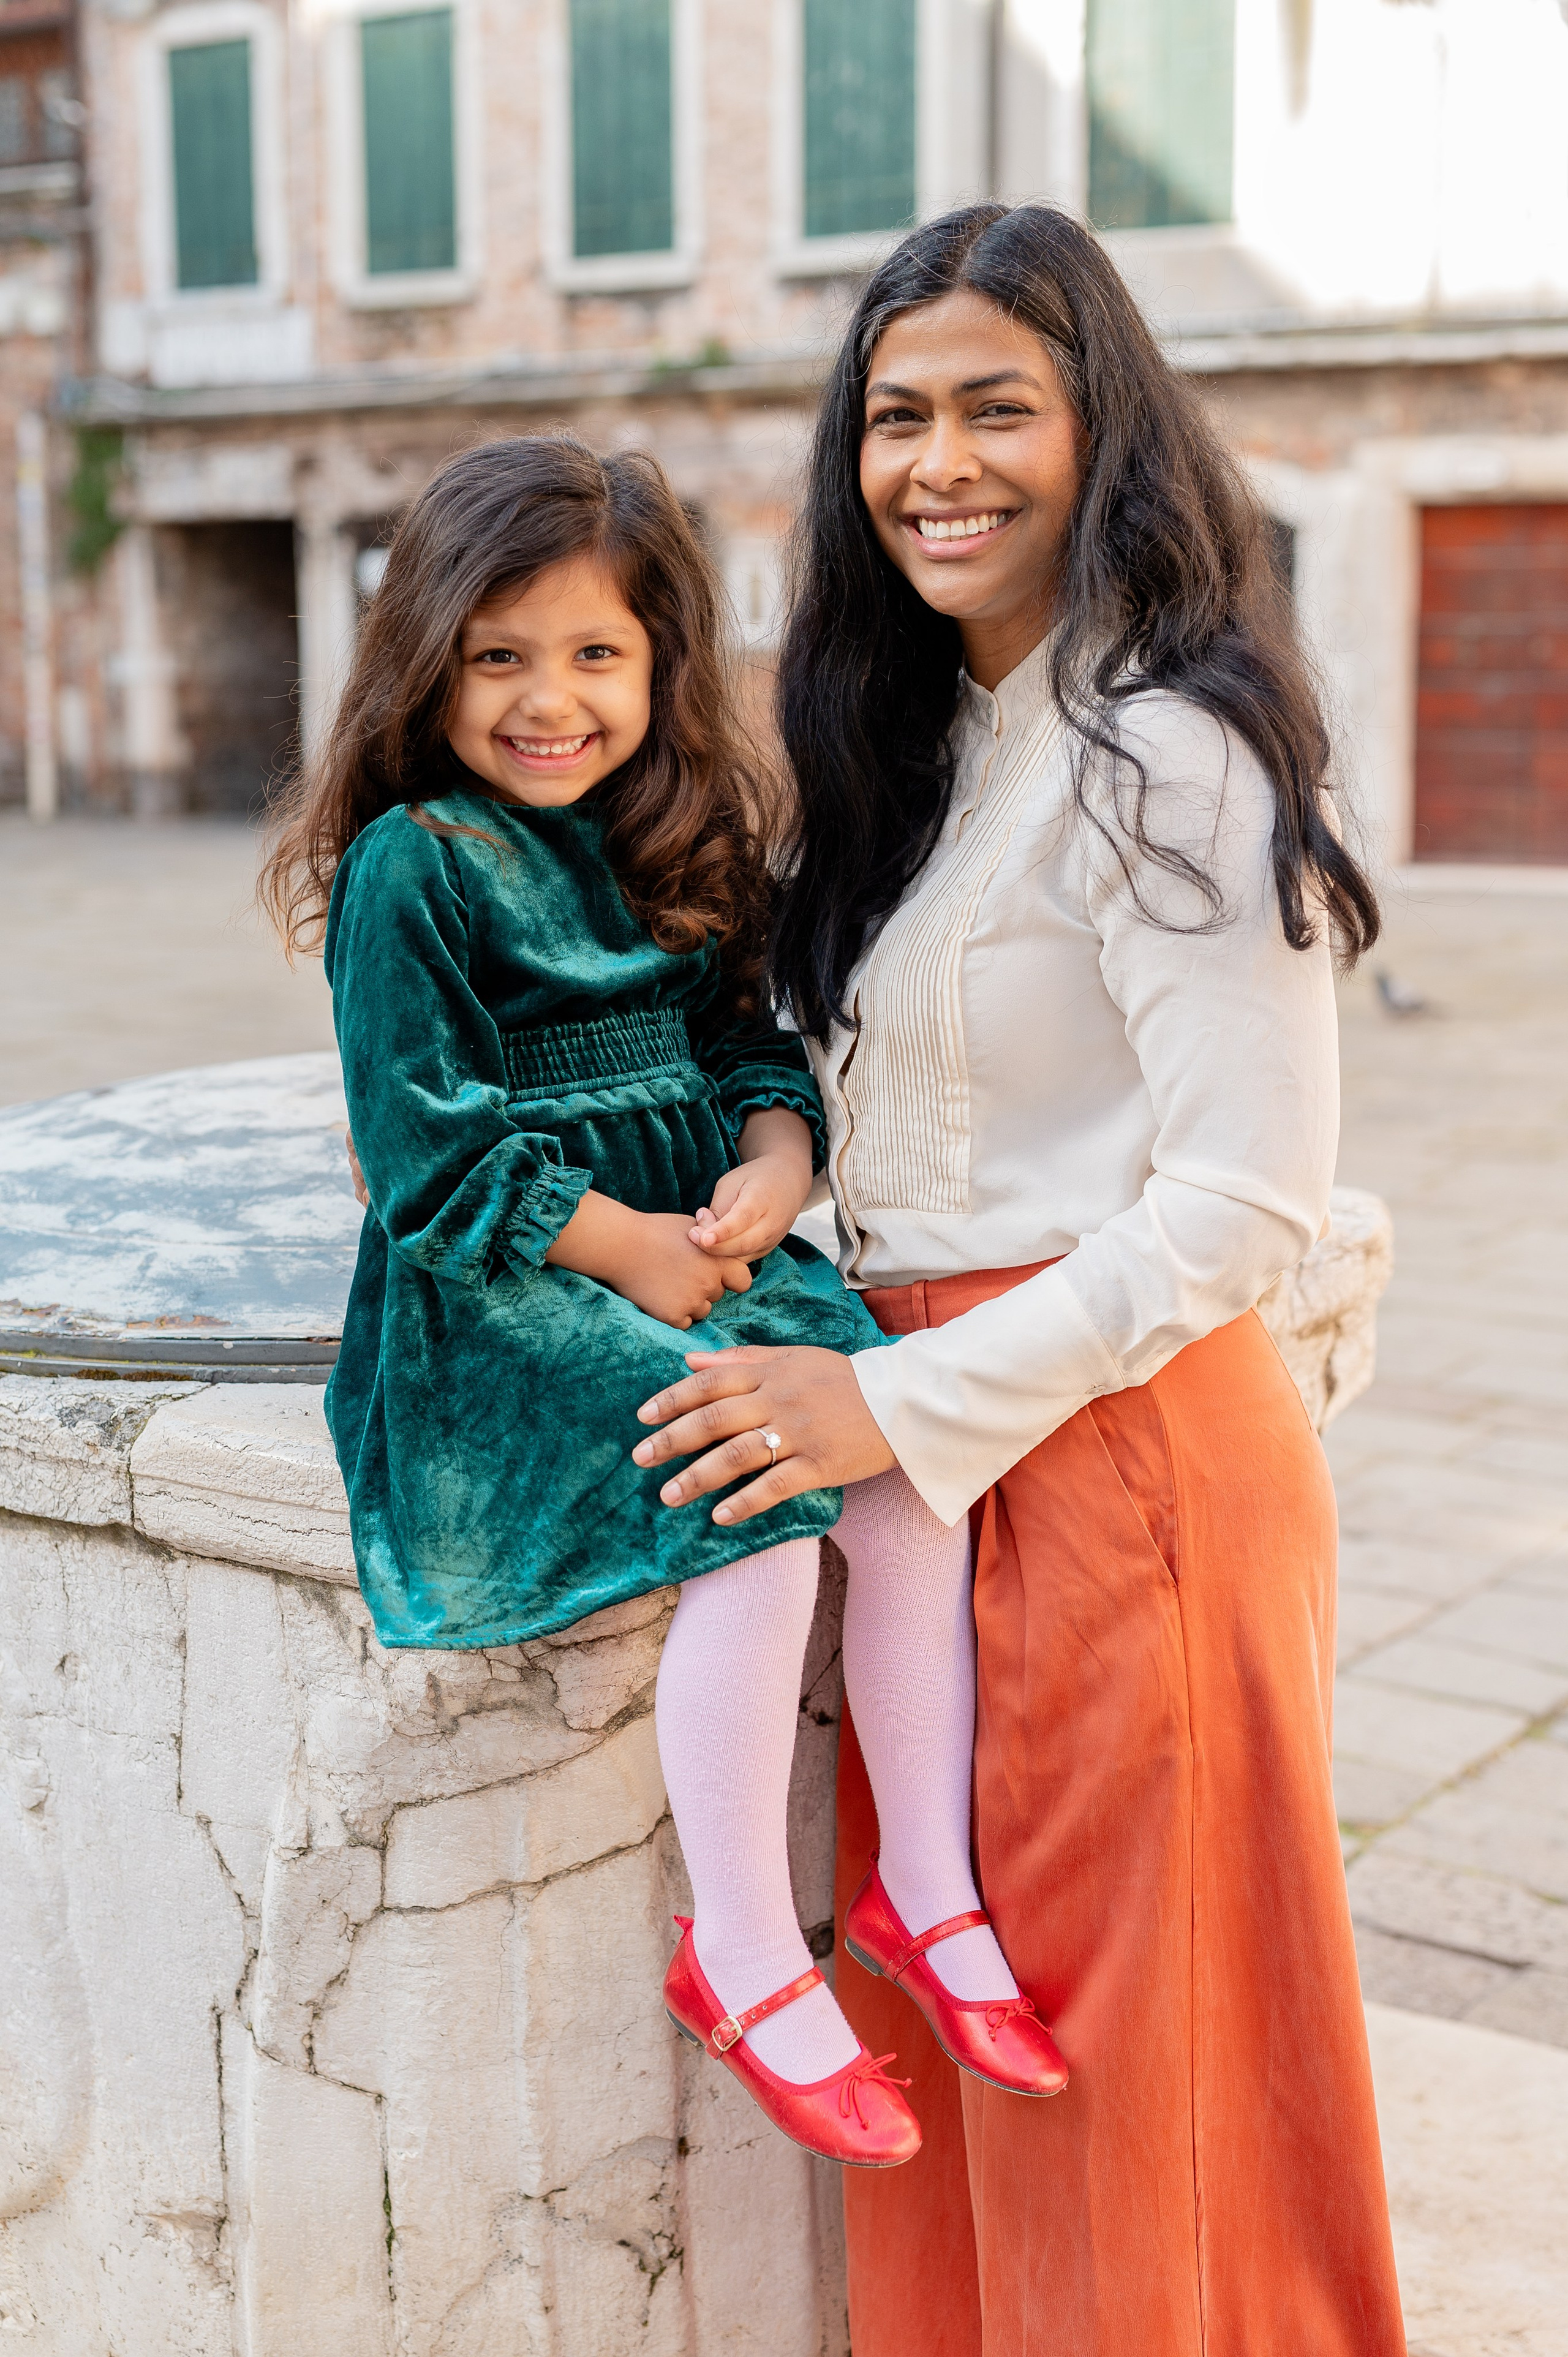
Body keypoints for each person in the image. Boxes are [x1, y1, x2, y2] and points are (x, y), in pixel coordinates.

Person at [631, 206, 1408, 2354]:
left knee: (1125, 2091)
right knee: (978, 2102)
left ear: (1106, 435)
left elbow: (1251, 1199)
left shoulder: (1172, 739)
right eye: (897, 416)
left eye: (1000, 407)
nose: (938, 464)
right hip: (926, 1492)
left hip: (1111, 1468)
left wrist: (887, 1410)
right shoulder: (926, 744)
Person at [260, 431, 1065, 2179]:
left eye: (595, 655)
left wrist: (778, 1159)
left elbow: (748, 1044)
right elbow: (423, 1153)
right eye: (501, 656)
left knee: (914, 1478)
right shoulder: (420, 863)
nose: (552, 699)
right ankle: (749, 1951)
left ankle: (922, 1889)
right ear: (429, 662)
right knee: (760, 1515)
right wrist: (621, 1241)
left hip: (711, 1243)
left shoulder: (676, 828)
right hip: (510, 1287)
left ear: (660, 664)